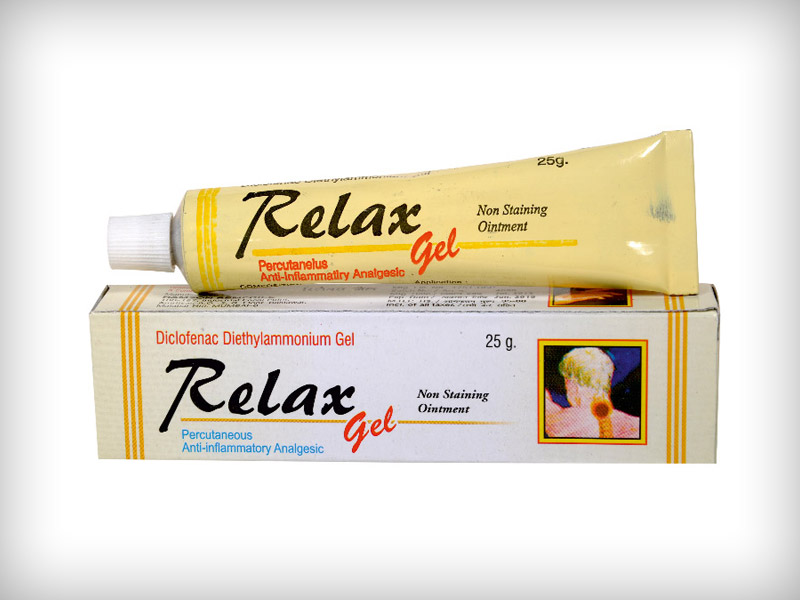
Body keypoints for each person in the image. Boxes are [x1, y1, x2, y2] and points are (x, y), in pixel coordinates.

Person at [545, 347, 640, 439]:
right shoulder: (636, 426)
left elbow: (546, 411)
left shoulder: (568, 422)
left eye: (566, 383)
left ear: (572, 384)